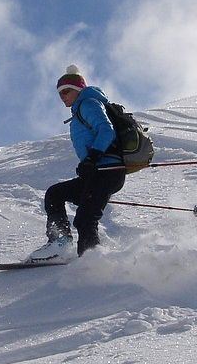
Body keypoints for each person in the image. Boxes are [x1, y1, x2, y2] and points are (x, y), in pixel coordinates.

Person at [29, 65, 127, 262]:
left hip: (107, 170)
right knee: (55, 194)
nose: (62, 96)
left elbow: (106, 130)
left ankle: (93, 264)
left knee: (85, 218)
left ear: (78, 89)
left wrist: (92, 157)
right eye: (59, 93)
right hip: (98, 172)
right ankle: (60, 243)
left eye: (66, 91)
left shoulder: (88, 103)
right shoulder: (81, 109)